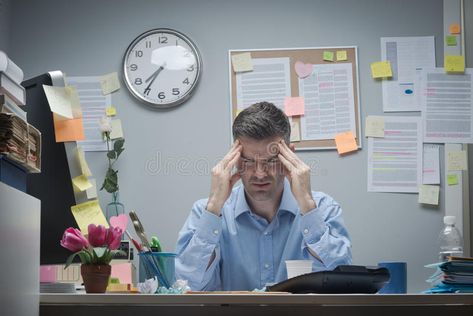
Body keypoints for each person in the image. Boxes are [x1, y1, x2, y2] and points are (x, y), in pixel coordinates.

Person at [175, 101, 352, 291]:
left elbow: (341, 286)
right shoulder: (207, 214)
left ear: (290, 156)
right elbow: (187, 286)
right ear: (234, 158)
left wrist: (307, 205)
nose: (259, 173)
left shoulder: (323, 209)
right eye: (249, 161)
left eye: (271, 161)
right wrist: (214, 207)